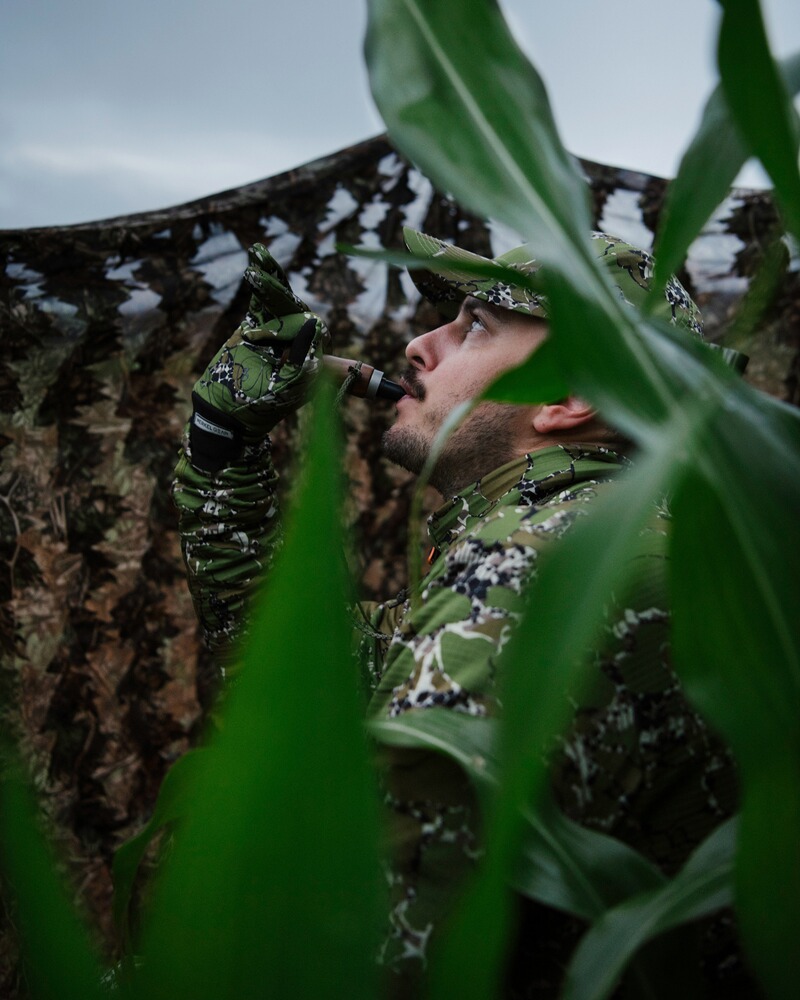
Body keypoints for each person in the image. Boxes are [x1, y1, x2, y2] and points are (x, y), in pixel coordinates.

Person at [172, 228, 740, 995]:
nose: (417, 345)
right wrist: (223, 448)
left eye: (476, 324)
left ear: (574, 397)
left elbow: (367, 953)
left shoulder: (541, 571)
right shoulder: (595, 532)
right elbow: (302, 688)